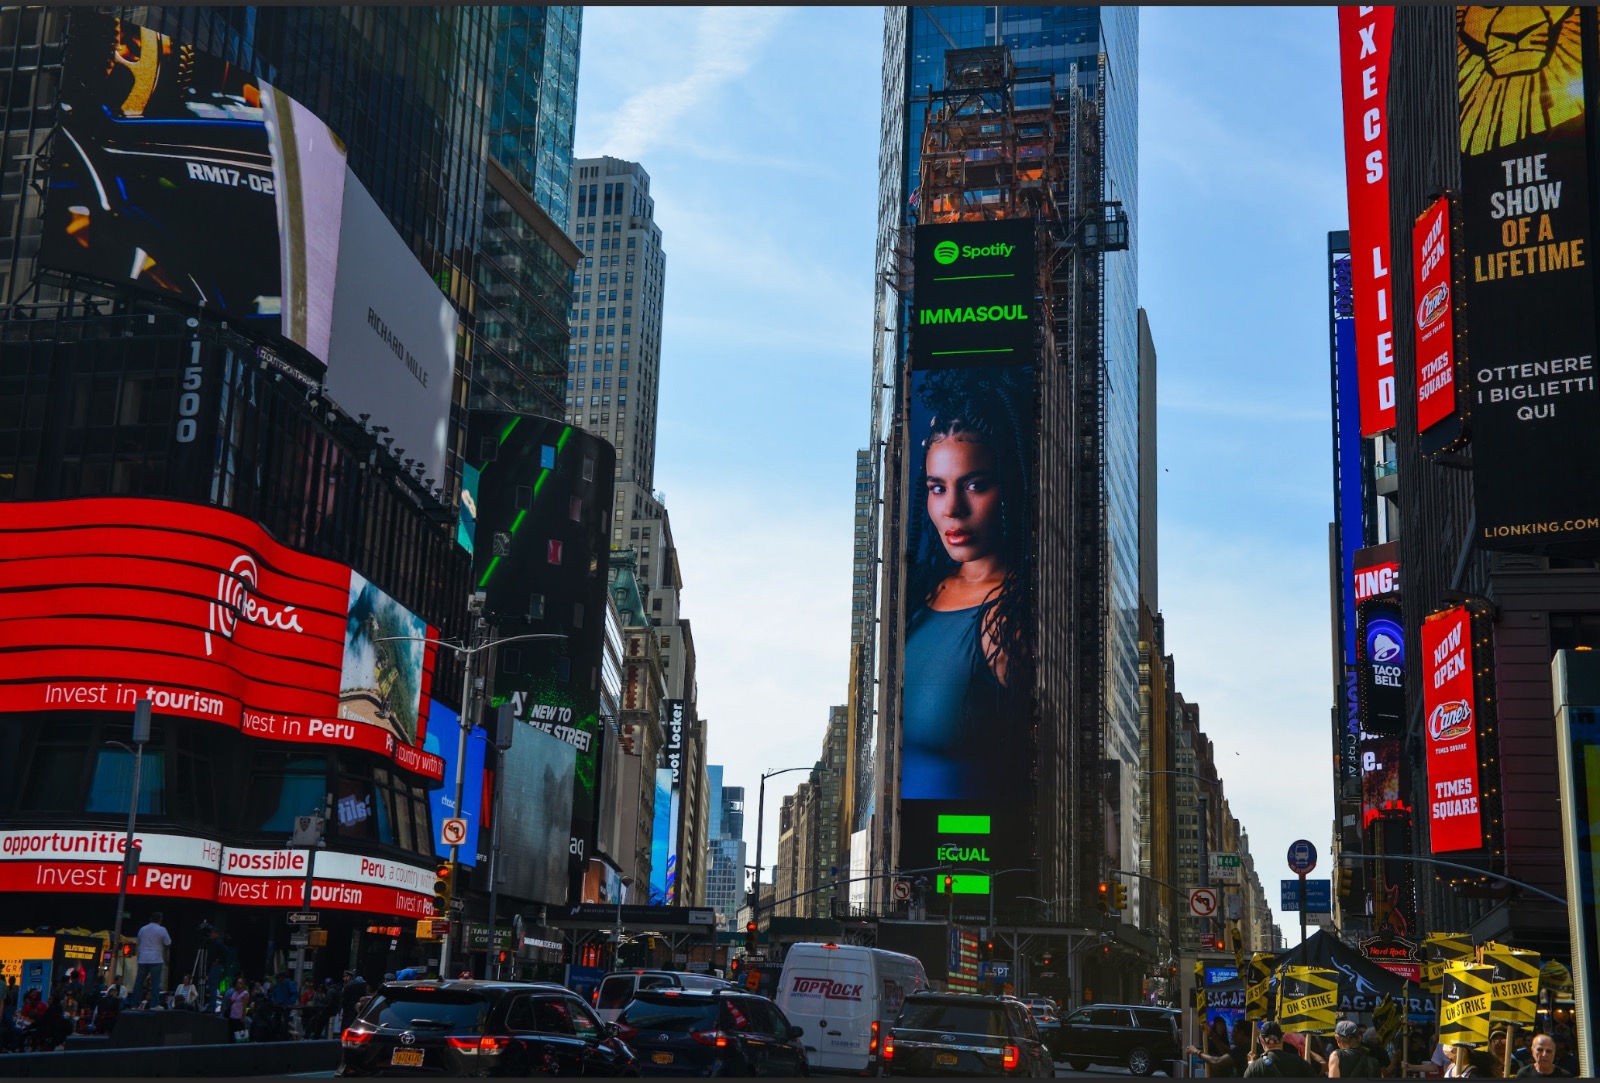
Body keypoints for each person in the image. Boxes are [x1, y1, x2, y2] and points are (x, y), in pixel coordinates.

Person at [900, 367, 1034, 801]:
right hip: (896, 857)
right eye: (937, 488)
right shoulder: (918, 597)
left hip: (981, 852)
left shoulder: (1011, 615)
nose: (952, 509)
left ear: (1011, 483)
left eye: (975, 484)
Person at [1245, 1021, 1319, 1078]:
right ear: (1282, 1038)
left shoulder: (1255, 1068)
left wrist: (1251, 1065)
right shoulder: (1300, 1063)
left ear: (1261, 1040)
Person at [1188, 1018, 1253, 1077]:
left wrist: (1197, 1052)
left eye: (1234, 1032)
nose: (1232, 1036)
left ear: (1241, 1033)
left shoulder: (1243, 1050)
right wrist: (1211, 1033)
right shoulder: (1250, 1046)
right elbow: (1228, 1052)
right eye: (1219, 1024)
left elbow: (1217, 1062)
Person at [133, 911, 171, 1004]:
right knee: (155, 983)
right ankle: (154, 1004)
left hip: (143, 959)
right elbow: (168, 943)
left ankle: (134, 1003)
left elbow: (139, 942)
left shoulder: (142, 929)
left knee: (139, 982)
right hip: (156, 959)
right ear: (160, 919)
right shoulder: (162, 929)